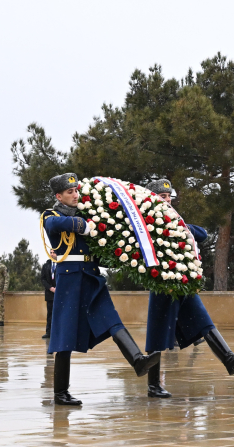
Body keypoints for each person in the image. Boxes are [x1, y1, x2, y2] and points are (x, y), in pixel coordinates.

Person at [43, 173, 160, 406]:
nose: (75, 195)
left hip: (91, 276)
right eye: (69, 192)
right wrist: (83, 225)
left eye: (76, 190)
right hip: (70, 278)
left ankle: (137, 360)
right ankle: (60, 392)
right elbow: (54, 225)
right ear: (59, 196)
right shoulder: (52, 214)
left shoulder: (88, 213)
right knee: (65, 336)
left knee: (111, 319)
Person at [142, 179, 234, 398]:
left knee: (202, 319)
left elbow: (202, 235)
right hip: (162, 281)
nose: (167, 200)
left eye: (169, 196)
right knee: (157, 332)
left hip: (183, 280)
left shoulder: (176, 219)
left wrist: (183, 227)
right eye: (162, 196)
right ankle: (153, 384)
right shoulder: (147, 222)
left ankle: (229, 359)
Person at [39, 251, 56, 339]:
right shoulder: (46, 265)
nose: (52, 254)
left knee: (59, 314)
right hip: (50, 294)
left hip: (60, 294)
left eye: (54, 252)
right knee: (50, 314)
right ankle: (48, 332)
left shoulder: (61, 265)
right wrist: (50, 288)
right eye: (51, 252)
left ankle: (58, 333)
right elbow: (43, 279)